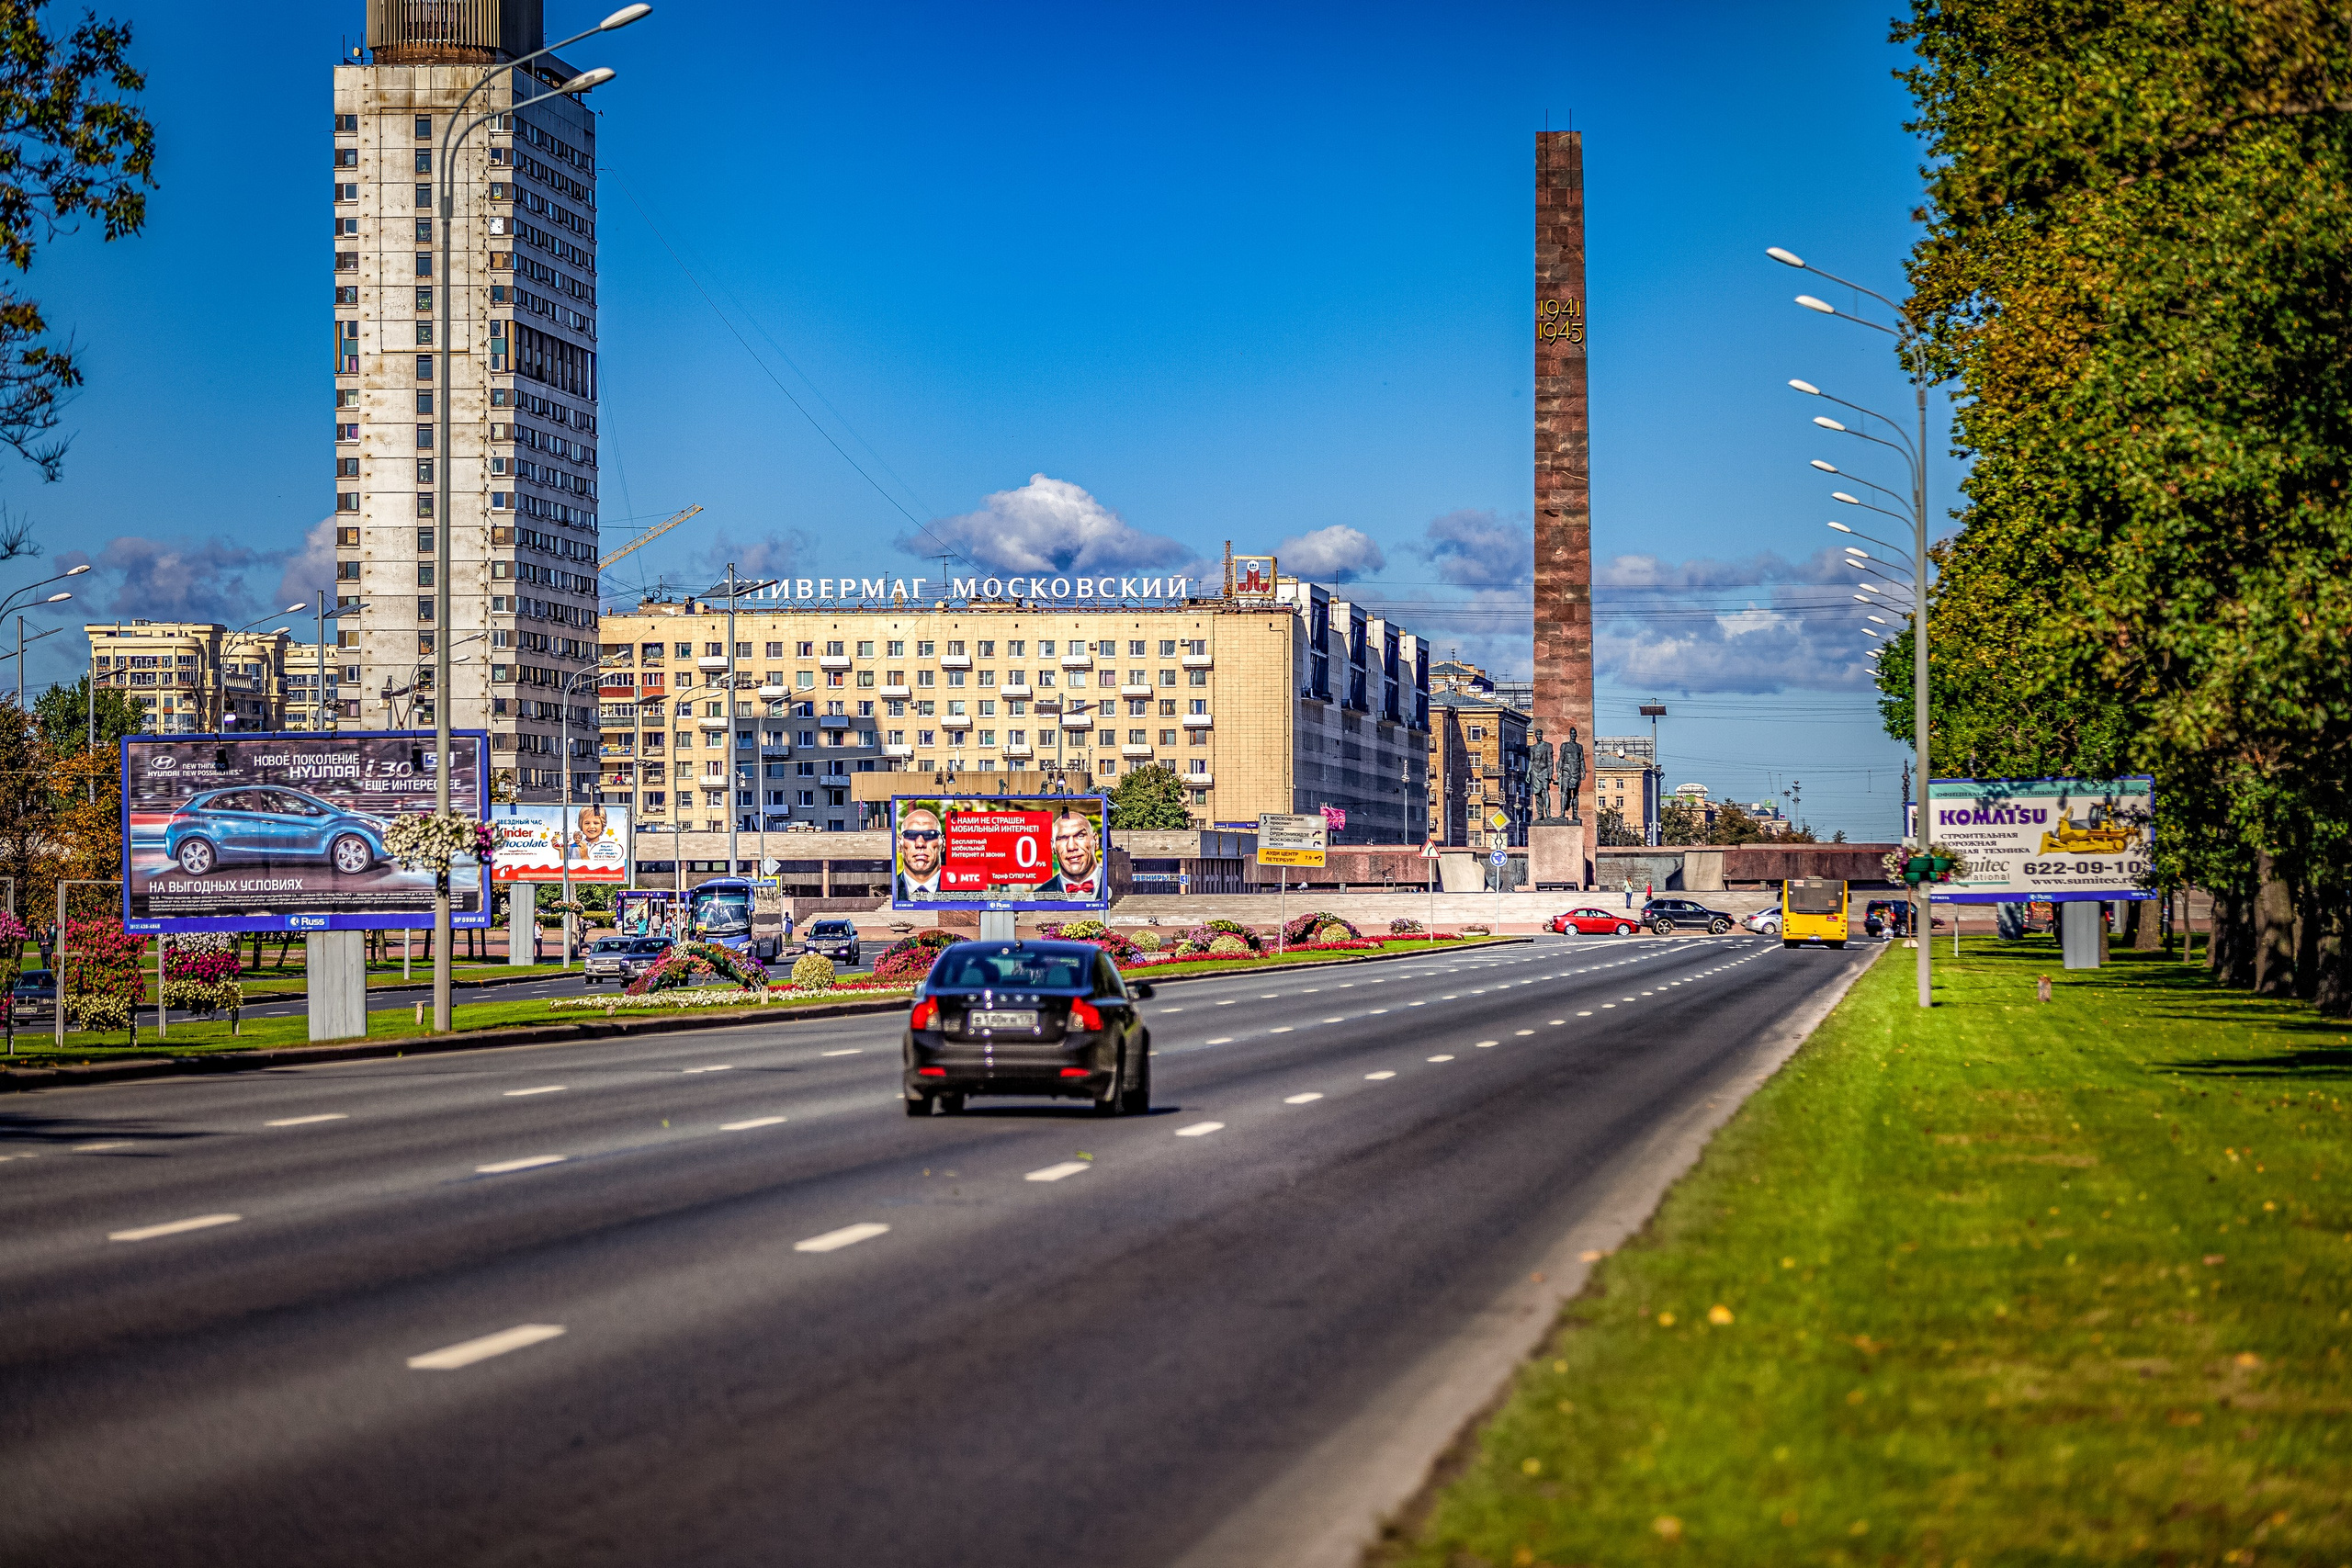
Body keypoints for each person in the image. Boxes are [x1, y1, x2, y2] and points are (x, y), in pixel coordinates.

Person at [1036, 807, 1102, 897]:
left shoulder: (1119, 885)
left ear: (1095, 841)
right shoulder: (1037, 897)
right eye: (1062, 838)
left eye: (1080, 836)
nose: (1071, 847)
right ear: (1053, 847)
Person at [895, 806, 946, 902]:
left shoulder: (969, 893)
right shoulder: (889, 889)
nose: (920, 843)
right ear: (899, 844)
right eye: (910, 835)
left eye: (930, 835)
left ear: (942, 843)